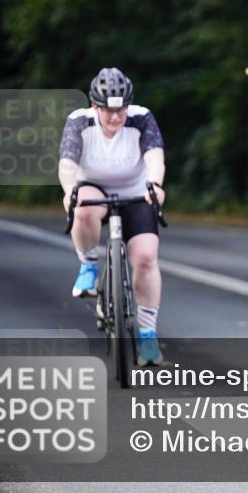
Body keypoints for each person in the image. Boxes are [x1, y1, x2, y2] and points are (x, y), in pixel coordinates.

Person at [58, 67, 167, 365]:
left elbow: (154, 156)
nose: (116, 118)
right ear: (95, 106)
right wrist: (70, 190)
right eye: (108, 111)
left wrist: (155, 186)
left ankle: (147, 334)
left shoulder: (142, 118)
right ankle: (88, 266)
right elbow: (67, 163)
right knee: (84, 205)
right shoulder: (79, 122)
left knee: (145, 258)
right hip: (93, 186)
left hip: (135, 189)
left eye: (121, 110)